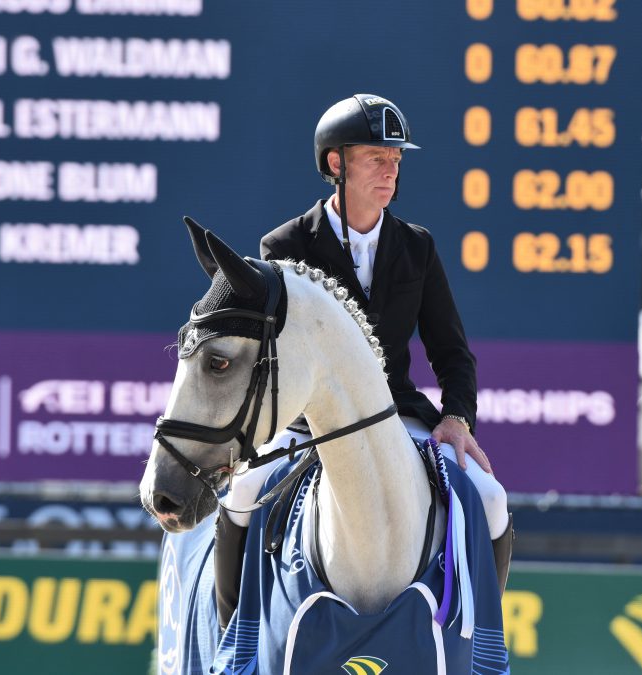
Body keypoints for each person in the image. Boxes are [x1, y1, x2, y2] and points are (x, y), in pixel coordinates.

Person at [214, 94, 511, 629]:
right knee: (242, 492)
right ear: (336, 163)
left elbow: (451, 352)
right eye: (377, 157)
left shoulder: (417, 247)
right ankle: (235, 644)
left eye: (396, 160)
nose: (390, 170)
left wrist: (457, 418)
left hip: (395, 413)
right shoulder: (284, 245)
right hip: (309, 421)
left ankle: (483, 646)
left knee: (490, 500)